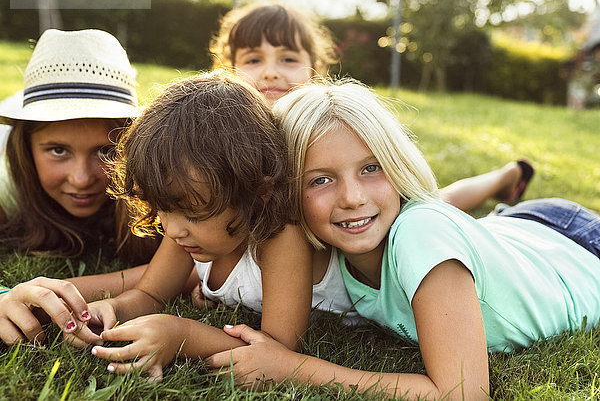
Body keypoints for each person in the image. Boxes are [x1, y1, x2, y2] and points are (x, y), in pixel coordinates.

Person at [206, 82, 600, 400]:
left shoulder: (419, 234)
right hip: (512, 234)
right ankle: (502, 180)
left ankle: (505, 176)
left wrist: (294, 368)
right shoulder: (331, 239)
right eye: (320, 180)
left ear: (397, 163)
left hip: (578, 244)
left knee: (427, 216)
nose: (352, 197)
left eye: (371, 168)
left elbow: (462, 394)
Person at [78, 71, 314, 381]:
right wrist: (115, 308)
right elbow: (151, 294)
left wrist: (181, 334)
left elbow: (276, 349)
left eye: (193, 213)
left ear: (259, 194)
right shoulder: (183, 232)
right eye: (162, 208)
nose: (173, 230)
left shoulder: (282, 235)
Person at [210, 1, 534, 212]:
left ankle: (504, 177)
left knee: (432, 206)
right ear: (227, 69)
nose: (270, 71)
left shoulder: (327, 124)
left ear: (316, 68)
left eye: (288, 59)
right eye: (253, 59)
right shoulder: (226, 136)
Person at [0, 29, 162, 344]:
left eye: (106, 151)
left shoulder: (153, 168)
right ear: (26, 147)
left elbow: (194, 267)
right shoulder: (5, 178)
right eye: (58, 151)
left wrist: (57, 292)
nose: (81, 178)